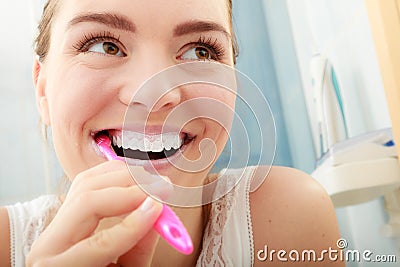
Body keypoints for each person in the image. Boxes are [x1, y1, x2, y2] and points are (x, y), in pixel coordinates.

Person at [0, 0, 344, 266]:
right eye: (104, 45)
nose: (155, 94)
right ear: (42, 90)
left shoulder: (290, 218)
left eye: (200, 51)